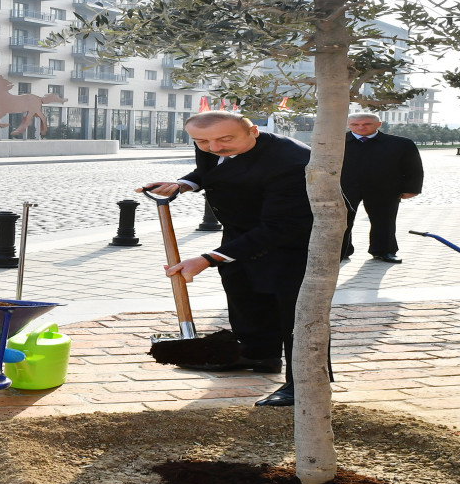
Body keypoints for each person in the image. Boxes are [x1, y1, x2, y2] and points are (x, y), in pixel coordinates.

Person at [140, 111, 313, 407]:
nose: (214, 148)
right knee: (243, 290)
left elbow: (281, 227)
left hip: (296, 240)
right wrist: (183, 184)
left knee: (295, 312)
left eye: (225, 139)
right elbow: (213, 168)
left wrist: (209, 258)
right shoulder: (212, 142)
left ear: (253, 131)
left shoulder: (291, 162)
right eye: (201, 141)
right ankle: (258, 355)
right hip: (243, 230)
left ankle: (305, 385)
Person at [341, 112, 424, 264]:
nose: (361, 127)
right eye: (355, 124)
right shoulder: (334, 142)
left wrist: (412, 189)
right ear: (348, 125)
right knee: (341, 220)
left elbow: (413, 168)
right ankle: (341, 251)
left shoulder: (401, 144)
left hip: (385, 188)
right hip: (344, 188)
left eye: (366, 124)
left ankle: (384, 251)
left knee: (384, 221)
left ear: (379, 124)